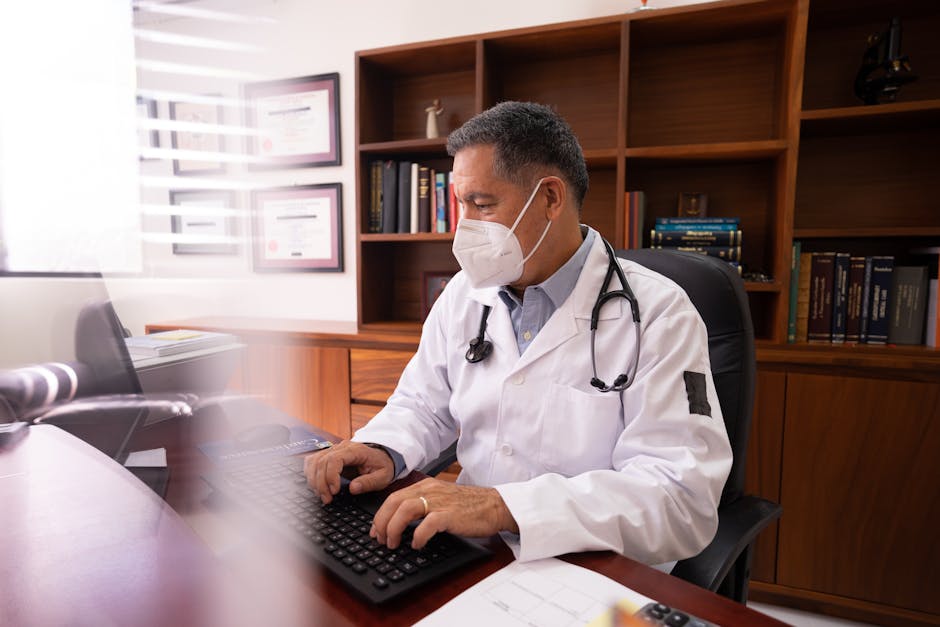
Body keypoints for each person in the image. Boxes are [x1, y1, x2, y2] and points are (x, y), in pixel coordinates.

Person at [306, 101, 732, 570]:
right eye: (460, 204)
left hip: (600, 567)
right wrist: (381, 447)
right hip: (471, 552)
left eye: (481, 204)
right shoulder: (465, 296)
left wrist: (502, 506)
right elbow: (422, 405)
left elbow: (680, 500)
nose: (463, 226)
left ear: (550, 197)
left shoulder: (660, 314)